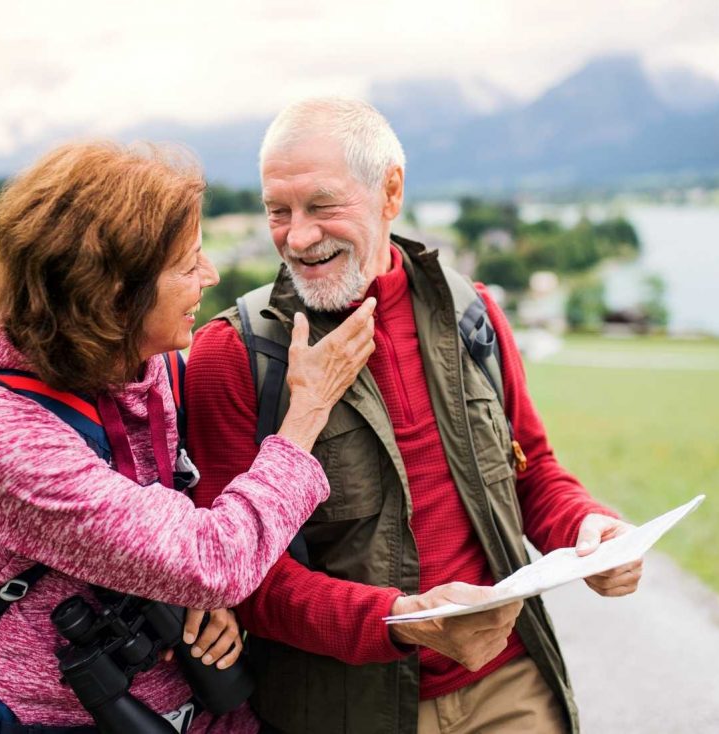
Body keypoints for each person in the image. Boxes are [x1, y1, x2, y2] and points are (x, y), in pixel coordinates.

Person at [185, 98, 643, 734]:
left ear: (389, 190)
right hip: (345, 714)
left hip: (510, 688)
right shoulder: (233, 353)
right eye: (277, 212)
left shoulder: (473, 311)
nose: (298, 236)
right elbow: (245, 580)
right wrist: (401, 622)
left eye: (321, 206)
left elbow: (531, 471)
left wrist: (590, 529)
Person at [0, 141, 376, 733]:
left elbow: (181, 535)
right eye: (188, 264)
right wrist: (306, 414)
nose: (212, 275)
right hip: (55, 718)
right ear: (114, 291)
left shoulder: (140, 367)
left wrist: (195, 595)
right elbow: (210, 558)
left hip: (195, 702)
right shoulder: (2, 436)